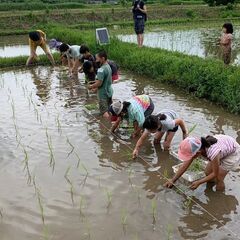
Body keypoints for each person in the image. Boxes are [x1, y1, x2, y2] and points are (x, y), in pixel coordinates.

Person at [164, 134, 240, 191]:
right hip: (222, 147)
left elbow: (215, 173)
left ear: (198, 152)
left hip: (232, 153)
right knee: (207, 172)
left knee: (218, 178)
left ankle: (219, 196)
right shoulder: (196, 145)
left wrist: (199, 182)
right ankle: (210, 187)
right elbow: (184, 165)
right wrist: (173, 180)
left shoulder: (213, 153)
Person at [88, 51, 113, 120]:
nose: (96, 61)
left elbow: (99, 83)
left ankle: (107, 125)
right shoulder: (108, 66)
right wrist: (96, 89)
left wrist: (90, 86)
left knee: (104, 112)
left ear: (103, 58)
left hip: (103, 94)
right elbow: (106, 81)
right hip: (109, 91)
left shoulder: (101, 69)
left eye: (97, 59)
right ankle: (111, 121)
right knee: (109, 109)